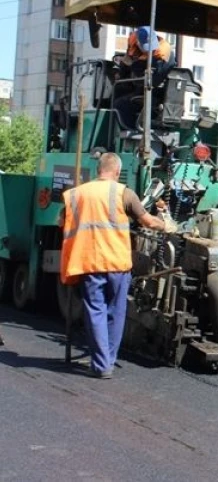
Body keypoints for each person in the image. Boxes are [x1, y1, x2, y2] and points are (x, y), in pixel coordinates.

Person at [59, 153, 176, 378]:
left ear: (98, 170)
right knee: (116, 312)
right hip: (117, 263)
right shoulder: (124, 193)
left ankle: (102, 364)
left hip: (89, 261)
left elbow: (61, 221)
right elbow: (148, 222)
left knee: (95, 312)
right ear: (117, 172)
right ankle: (107, 361)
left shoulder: (76, 194)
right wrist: (167, 226)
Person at [113, 26, 174, 131]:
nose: (150, 49)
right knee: (118, 89)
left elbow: (153, 81)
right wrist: (121, 73)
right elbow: (129, 58)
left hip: (153, 91)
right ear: (137, 42)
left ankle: (131, 129)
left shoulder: (161, 55)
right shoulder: (133, 40)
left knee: (119, 104)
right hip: (144, 85)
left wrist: (132, 65)